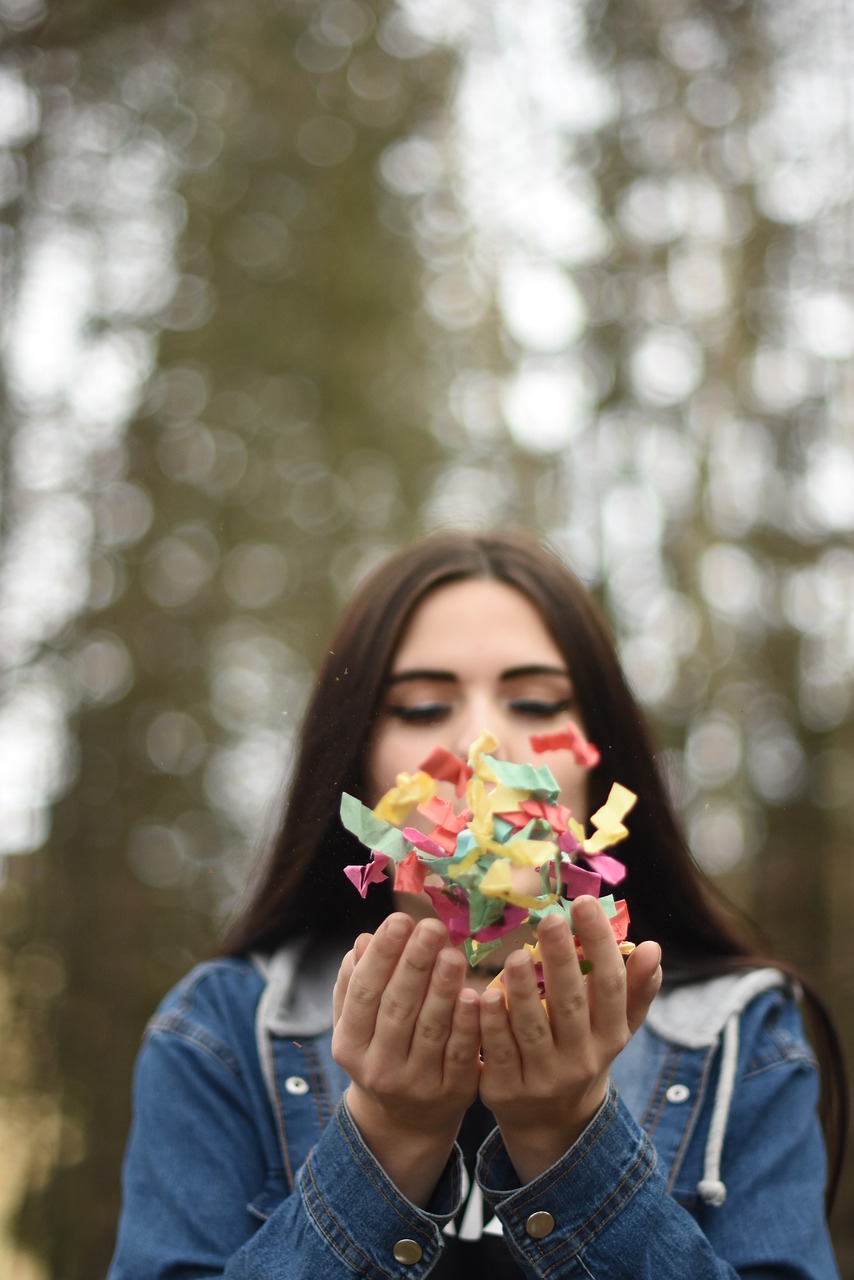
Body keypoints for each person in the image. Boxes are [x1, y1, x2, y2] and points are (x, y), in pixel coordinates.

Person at [108, 531, 846, 1279]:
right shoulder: (220, 1032)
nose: (482, 747)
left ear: (598, 755)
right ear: (358, 763)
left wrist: (572, 1138)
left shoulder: (737, 1035)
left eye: (536, 702)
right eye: (424, 707)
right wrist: (386, 1136)